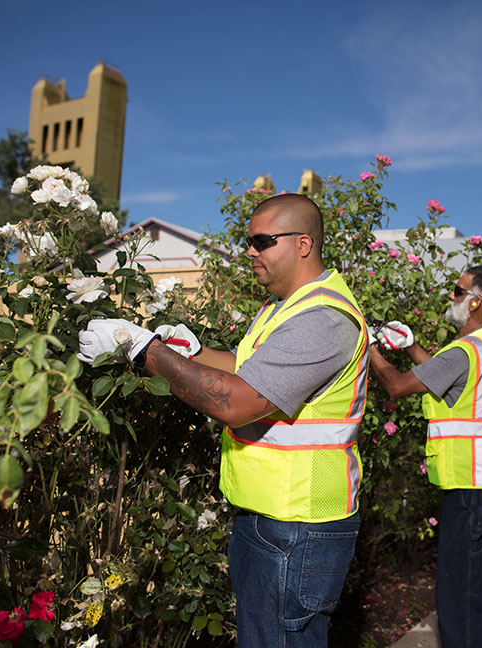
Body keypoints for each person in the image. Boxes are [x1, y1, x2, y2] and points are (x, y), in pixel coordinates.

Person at [77, 194, 369, 648]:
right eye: (247, 240)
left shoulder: (324, 319)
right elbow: (247, 369)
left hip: (299, 525)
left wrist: (144, 350)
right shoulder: (283, 307)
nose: (249, 250)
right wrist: (189, 353)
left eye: (262, 241)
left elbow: (236, 402)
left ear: (304, 243)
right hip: (270, 518)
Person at [368, 266, 482, 648]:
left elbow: (398, 386)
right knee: (476, 592)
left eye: (457, 291)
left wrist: (366, 348)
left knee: (460, 600)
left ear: (474, 303)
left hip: (471, 490)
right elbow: (446, 376)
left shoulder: (465, 350)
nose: (450, 297)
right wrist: (411, 346)